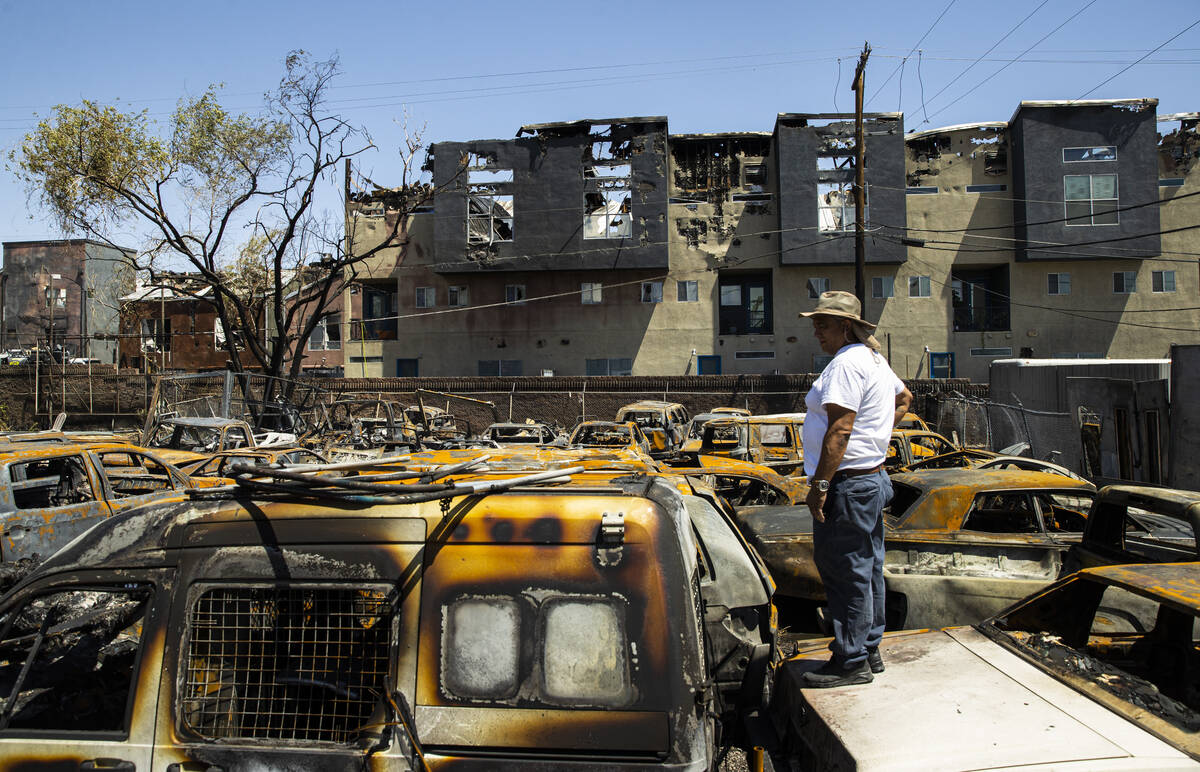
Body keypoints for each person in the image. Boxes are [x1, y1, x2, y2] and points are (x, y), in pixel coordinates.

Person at [800, 291, 913, 688]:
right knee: (866, 568)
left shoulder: (847, 364)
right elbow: (904, 398)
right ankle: (867, 648)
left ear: (845, 327)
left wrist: (820, 485)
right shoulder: (873, 360)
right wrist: (877, 436)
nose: (816, 332)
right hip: (869, 478)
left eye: (823, 325)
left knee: (845, 569)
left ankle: (850, 661)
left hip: (848, 484)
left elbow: (841, 428)